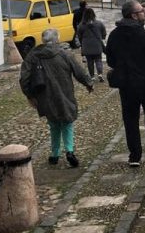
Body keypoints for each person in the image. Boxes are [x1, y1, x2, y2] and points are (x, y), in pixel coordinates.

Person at [20, 28, 93, 168]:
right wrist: (88, 83)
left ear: (43, 40)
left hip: (44, 95)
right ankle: (69, 151)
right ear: (57, 39)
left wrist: (29, 94)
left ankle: (54, 154)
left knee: (53, 124)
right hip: (64, 92)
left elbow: (24, 78)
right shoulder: (64, 54)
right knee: (67, 122)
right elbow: (79, 71)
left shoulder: (32, 56)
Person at [106, 0, 145, 167]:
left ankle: (134, 154)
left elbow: (110, 60)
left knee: (130, 118)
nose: (144, 12)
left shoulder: (114, 35)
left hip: (126, 84)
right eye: (141, 10)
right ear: (133, 15)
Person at [77, 8, 107, 82]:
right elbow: (104, 33)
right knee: (98, 60)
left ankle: (92, 76)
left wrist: (82, 43)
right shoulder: (99, 23)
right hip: (97, 44)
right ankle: (100, 74)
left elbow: (79, 36)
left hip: (86, 46)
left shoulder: (81, 25)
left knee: (89, 61)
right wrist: (101, 37)